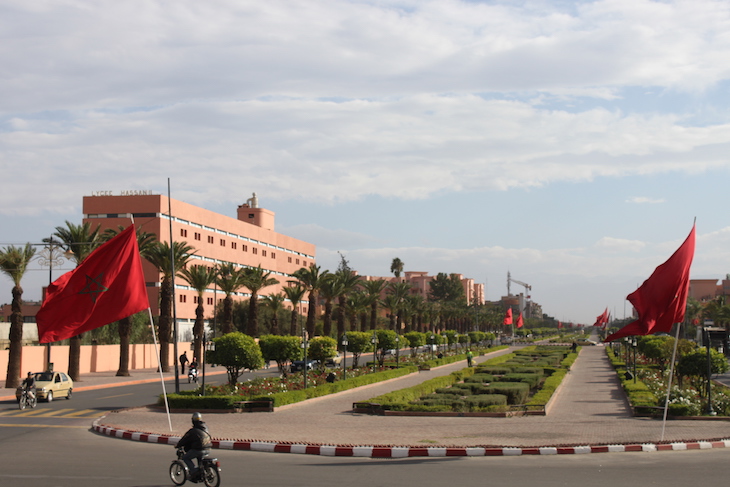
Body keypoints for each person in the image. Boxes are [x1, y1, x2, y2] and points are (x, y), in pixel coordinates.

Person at [176, 412, 212, 480]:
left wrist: (178, 445)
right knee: (200, 458)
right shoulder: (206, 427)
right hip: (208, 449)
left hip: (199, 449)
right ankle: (202, 472)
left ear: (193, 420)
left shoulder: (192, 431)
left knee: (185, 458)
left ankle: (194, 471)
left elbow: (184, 439)